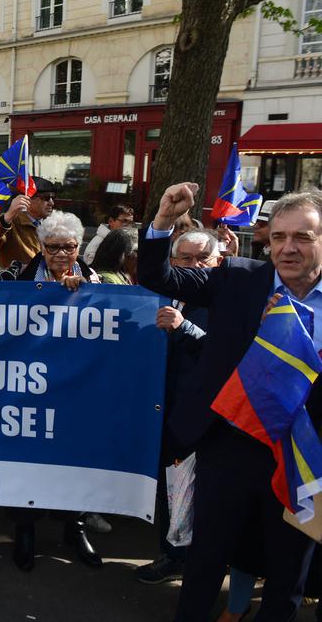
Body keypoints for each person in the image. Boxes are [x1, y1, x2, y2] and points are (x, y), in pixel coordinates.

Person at [138, 183, 321, 622]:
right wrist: (163, 220)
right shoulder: (238, 278)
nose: (288, 248)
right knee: (207, 557)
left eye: (303, 237)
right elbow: (158, 277)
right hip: (230, 445)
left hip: (301, 454)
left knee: (287, 570)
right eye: (278, 237)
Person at [6, 211, 102, 572]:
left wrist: (87, 296)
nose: (61, 254)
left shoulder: (94, 279)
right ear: (41, 248)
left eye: (69, 246)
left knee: (74, 459)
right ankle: (25, 528)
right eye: (53, 247)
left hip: (75, 388)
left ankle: (74, 527)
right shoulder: (21, 277)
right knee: (27, 459)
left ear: (79, 247)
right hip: (28, 388)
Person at [135, 230, 218, 586]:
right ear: (171, 262)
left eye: (202, 259)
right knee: (172, 492)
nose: (193, 266)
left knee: (198, 496)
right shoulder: (159, 293)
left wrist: (185, 328)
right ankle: (173, 552)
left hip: (205, 421)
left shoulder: (226, 299)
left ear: (218, 262)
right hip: (162, 413)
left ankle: (183, 559)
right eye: (184, 258)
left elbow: (223, 358)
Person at [0, 178, 60, 270]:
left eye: (53, 198)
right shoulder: (9, 222)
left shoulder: (54, 224)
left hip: (47, 281)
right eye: (46, 198)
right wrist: (7, 218)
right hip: (17, 282)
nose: (51, 203)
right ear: (27, 198)